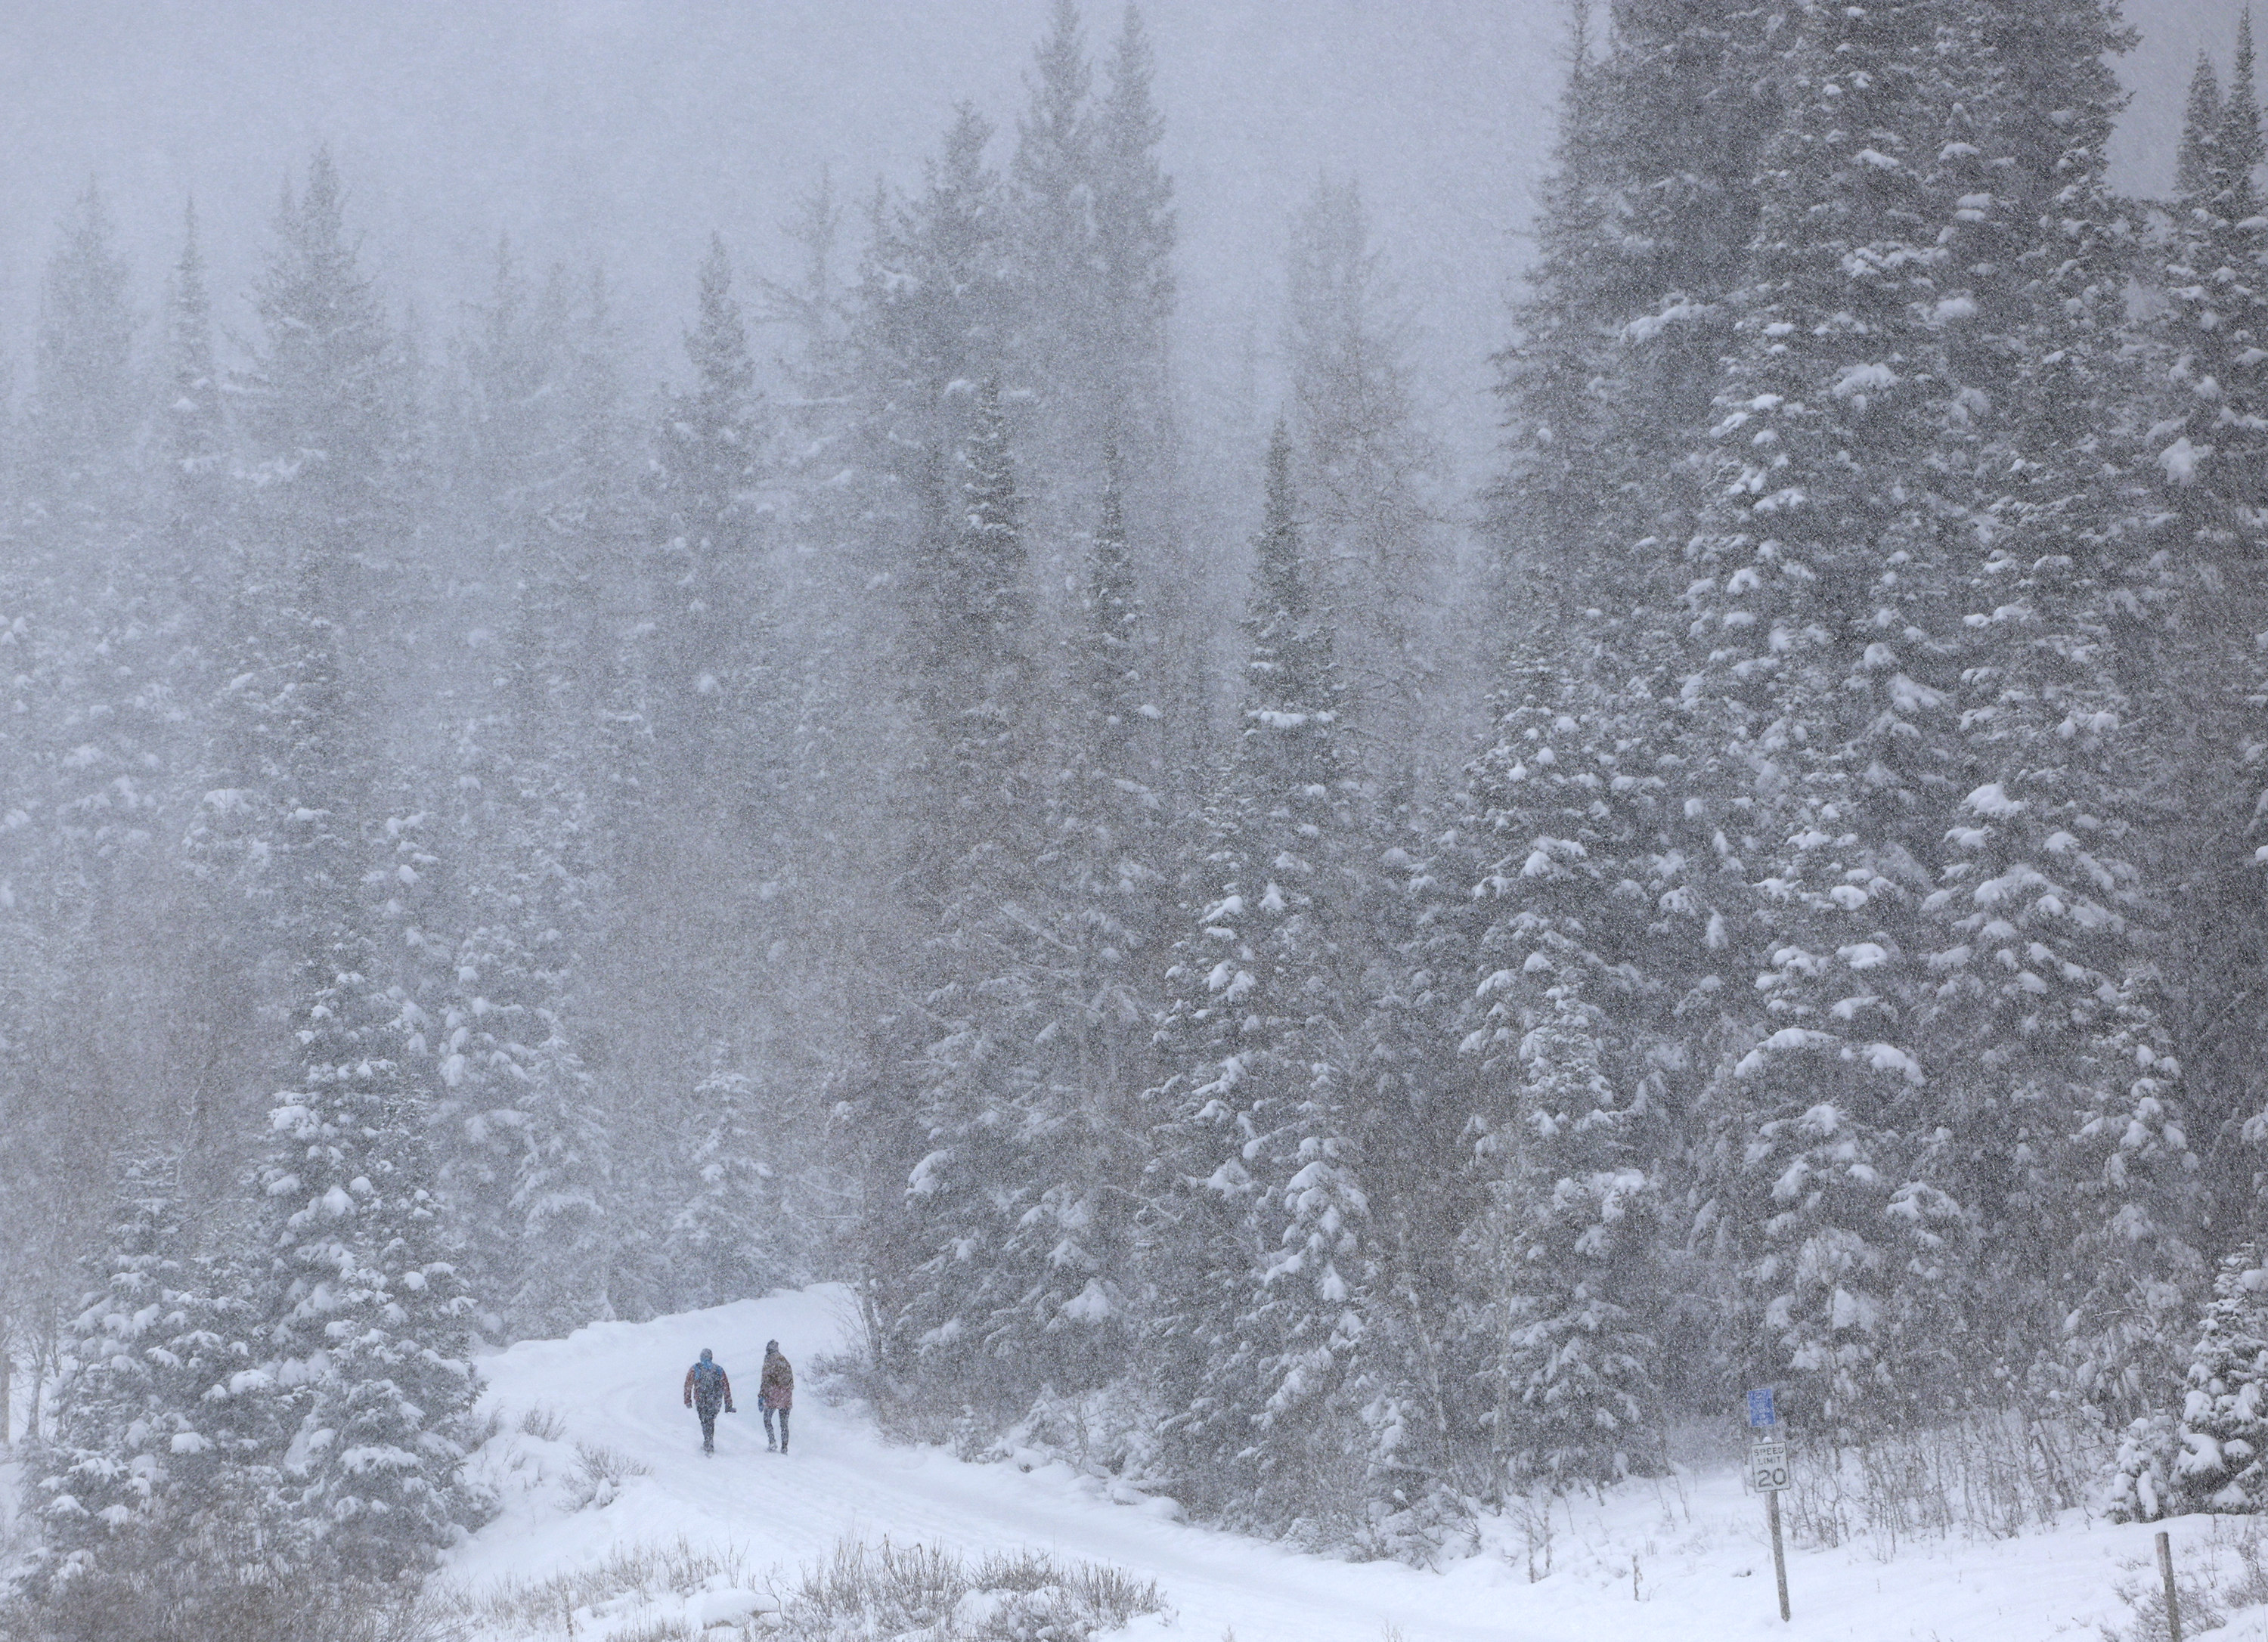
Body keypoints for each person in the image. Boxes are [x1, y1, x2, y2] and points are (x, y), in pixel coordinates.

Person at [683, 1347, 735, 1454]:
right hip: (715, 1399)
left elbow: (688, 1385)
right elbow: (726, 1387)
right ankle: (709, 1441)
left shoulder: (695, 1368)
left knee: (704, 1420)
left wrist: (687, 1400)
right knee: (711, 1420)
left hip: (701, 1399)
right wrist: (728, 1403)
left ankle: (708, 1442)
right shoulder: (719, 1369)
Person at [758, 1339, 793, 1453]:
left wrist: (761, 1395)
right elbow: (791, 1380)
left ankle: (772, 1442)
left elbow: (765, 1379)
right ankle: (784, 1447)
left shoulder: (769, 1360)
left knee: (767, 1419)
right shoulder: (784, 1360)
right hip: (786, 1394)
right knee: (784, 1423)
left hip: (773, 1393)